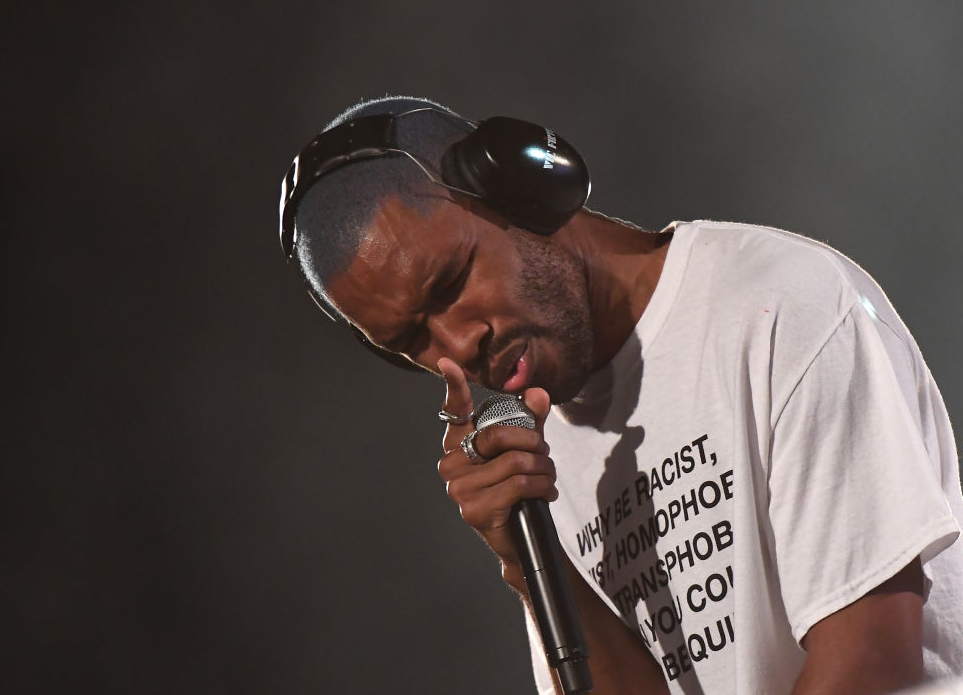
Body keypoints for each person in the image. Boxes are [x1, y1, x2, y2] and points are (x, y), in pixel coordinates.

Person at [280, 95, 963, 693]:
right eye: (411, 340)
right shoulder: (533, 456)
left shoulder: (781, 305)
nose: (456, 347)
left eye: (452, 281)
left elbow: (875, 665)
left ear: (522, 189)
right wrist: (528, 562)